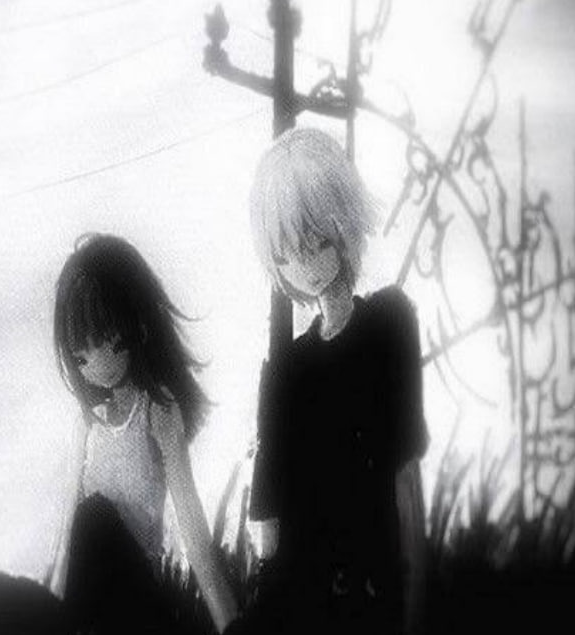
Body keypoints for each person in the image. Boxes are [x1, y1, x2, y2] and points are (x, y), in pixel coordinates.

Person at [247, 127, 429, 635]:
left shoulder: (388, 323)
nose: (303, 264)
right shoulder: (285, 370)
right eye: (287, 252)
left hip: (369, 585)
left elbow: (406, 478)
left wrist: (414, 605)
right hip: (297, 593)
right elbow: (269, 519)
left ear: (343, 225)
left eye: (315, 241)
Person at [49, 233, 239, 634]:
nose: (96, 364)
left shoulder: (157, 411)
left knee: (96, 518)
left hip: (136, 600)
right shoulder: (86, 422)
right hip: (90, 599)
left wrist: (232, 625)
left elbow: (194, 534)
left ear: (136, 325)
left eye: (107, 342)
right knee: (87, 520)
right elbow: (66, 535)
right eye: (81, 356)